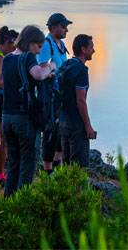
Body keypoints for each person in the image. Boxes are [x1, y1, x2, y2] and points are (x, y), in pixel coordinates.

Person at [2, 25, 54, 196]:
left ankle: (9, 202)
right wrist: (50, 67)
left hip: (7, 117)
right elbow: (38, 75)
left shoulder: (8, 59)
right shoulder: (28, 57)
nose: (39, 51)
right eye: (38, 46)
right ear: (30, 43)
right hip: (24, 119)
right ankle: (21, 205)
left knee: (13, 164)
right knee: (28, 164)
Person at [38, 12, 72, 173]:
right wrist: (54, 74)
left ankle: (58, 166)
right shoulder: (47, 44)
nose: (66, 30)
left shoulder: (60, 44)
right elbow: (42, 69)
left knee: (60, 132)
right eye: (63, 26)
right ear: (52, 28)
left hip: (62, 93)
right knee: (50, 132)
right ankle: (47, 170)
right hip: (51, 95)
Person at [58, 34, 96, 168]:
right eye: (91, 47)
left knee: (66, 166)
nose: (94, 50)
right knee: (79, 168)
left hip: (63, 122)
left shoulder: (66, 65)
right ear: (83, 49)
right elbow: (81, 100)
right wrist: (88, 126)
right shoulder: (81, 70)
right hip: (76, 125)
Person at [0, 26, 18, 186]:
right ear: (6, 42)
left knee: (3, 138)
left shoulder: (1, 56)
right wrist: (13, 87)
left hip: (2, 100)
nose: (15, 48)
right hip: (1, 101)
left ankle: (0, 172)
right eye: (13, 44)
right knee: (4, 139)